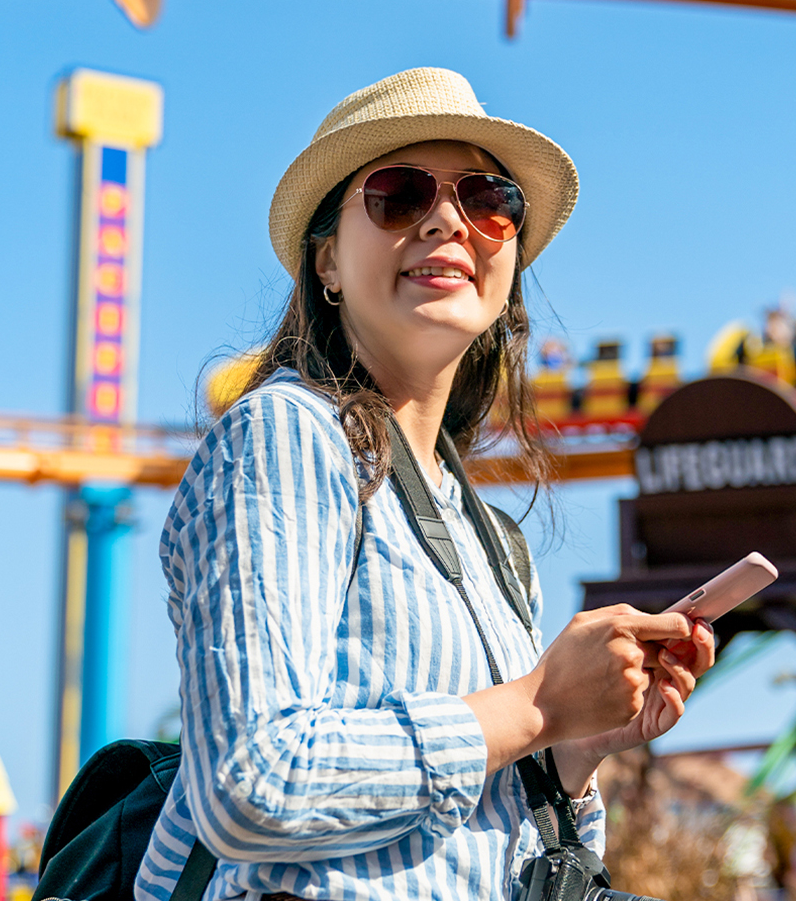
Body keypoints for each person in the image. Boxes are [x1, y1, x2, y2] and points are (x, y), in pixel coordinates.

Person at [134, 67, 716, 901]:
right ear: (327, 261)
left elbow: (487, 840)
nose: (448, 219)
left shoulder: (488, 536)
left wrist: (577, 747)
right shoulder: (287, 434)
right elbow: (250, 782)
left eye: (488, 199)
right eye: (400, 194)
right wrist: (537, 708)